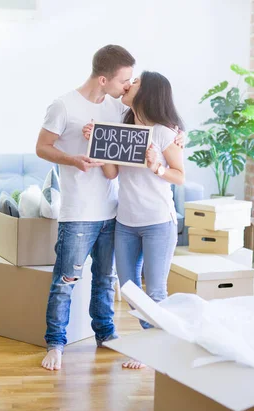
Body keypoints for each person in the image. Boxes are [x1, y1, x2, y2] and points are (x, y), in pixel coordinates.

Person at [36, 46, 183, 371]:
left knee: (108, 281)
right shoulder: (65, 106)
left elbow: (163, 122)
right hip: (81, 213)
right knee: (66, 281)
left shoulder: (121, 107)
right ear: (105, 80)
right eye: (125, 80)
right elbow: (45, 148)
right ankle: (56, 343)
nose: (128, 86)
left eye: (132, 82)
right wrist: (75, 156)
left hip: (118, 213)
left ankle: (110, 336)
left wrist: (178, 138)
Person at [83, 71, 185, 369]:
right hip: (126, 222)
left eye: (136, 82)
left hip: (158, 223)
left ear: (148, 93)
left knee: (155, 291)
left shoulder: (166, 133)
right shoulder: (123, 127)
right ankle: (157, 343)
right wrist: (98, 149)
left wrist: (157, 167)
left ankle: (156, 350)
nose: (128, 85)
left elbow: (180, 176)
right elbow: (113, 174)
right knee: (129, 290)